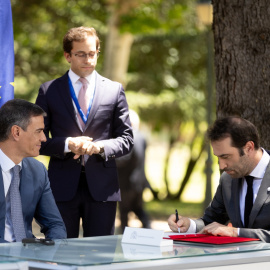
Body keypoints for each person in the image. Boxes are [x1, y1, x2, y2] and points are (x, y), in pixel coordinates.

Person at [35, 26, 133, 238]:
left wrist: (100, 147)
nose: (88, 59)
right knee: (60, 253)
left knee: (100, 255)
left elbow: (127, 140)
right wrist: (67, 144)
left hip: (103, 189)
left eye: (92, 54)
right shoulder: (48, 90)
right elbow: (37, 140)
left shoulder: (114, 90)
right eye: (81, 54)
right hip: (61, 188)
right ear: (67, 56)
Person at [168, 116, 270, 242]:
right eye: (218, 157)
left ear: (248, 147)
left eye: (226, 156)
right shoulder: (227, 180)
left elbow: (232, 232)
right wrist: (189, 225)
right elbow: (211, 221)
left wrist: (235, 232)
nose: (222, 166)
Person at [0, 99, 66, 243]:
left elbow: (55, 225)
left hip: (28, 257)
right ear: (16, 132)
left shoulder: (38, 170)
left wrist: (51, 253)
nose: (44, 138)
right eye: (39, 131)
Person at [116, 110, 152, 233]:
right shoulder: (142, 137)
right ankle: (149, 230)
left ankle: (124, 235)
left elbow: (124, 159)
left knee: (125, 212)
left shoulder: (129, 138)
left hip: (127, 182)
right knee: (138, 209)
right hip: (140, 181)